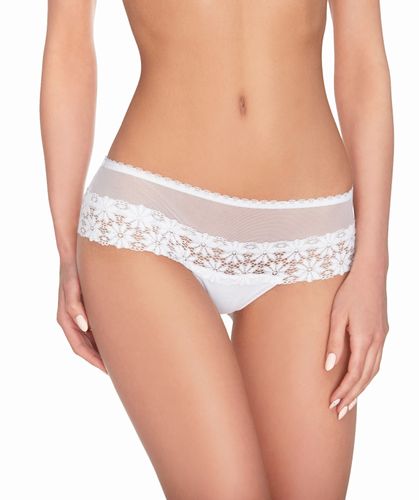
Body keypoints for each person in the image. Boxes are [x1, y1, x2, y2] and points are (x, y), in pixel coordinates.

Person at [40, 1, 393, 498]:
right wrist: (65, 253)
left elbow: (363, 62)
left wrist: (373, 263)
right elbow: (68, 48)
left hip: (310, 241)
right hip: (150, 225)